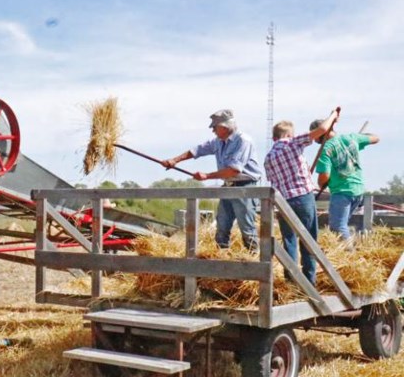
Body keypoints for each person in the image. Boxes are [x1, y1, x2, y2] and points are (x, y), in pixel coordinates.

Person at [162, 109, 262, 250]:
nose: (213, 130)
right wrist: (174, 160)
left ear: (224, 127)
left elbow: (234, 170)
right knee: (222, 225)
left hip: (245, 187)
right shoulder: (218, 141)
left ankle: (256, 261)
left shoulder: (243, 141)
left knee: (246, 227)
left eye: (214, 127)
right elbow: (198, 150)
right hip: (229, 186)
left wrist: (207, 176)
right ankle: (221, 260)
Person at [263, 108, 340, 285]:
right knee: (309, 239)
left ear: (274, 138)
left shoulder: (268, 158)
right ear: (288, 134)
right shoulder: (292, 143)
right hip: (303, 197)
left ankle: (291, 281)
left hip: (282, 202)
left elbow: (274, 182)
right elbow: (321, 130)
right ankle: (309, 282)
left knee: (289, 240)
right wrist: (333, 116)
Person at [313, 120, 380, 240]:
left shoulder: (326, 149)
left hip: (342, 191)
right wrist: (359, 140)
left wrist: (322, 184)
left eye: (316, 139)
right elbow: (375, 138)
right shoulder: (351, 138)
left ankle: (349, 253)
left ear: (320, 134)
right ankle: (350, 243)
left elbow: (324, 177)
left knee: (338, 226)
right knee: (342, 224)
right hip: (358, 190)